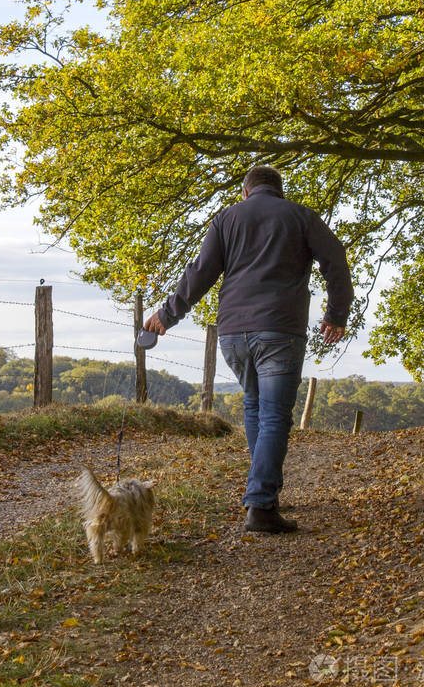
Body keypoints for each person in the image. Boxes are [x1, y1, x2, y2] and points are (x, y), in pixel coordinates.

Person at [144, 165, 353, 534]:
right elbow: (335, 260)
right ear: (279, 190)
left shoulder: (226, 219)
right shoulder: (300, 216)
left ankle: (264, 495)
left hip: (233, 333)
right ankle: (260, 504)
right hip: (279, 330)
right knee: (273, 414)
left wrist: (166, 314)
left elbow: (200, 271)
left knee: (255, 406)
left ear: (245, 192)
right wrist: (336, 314)